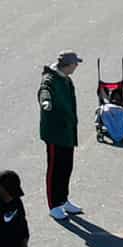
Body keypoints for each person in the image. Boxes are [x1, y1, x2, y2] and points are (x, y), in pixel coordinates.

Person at [38, 51, 84, 220]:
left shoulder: (66, 79)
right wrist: (46, 102)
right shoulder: (50, 80)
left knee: (66, 167)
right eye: (75, 64)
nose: (76, 66)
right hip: (55, 133)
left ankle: (63, 199)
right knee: (54, 169)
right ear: (68, 65)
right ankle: (54, 205)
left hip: (67, 132)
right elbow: (44, 91)